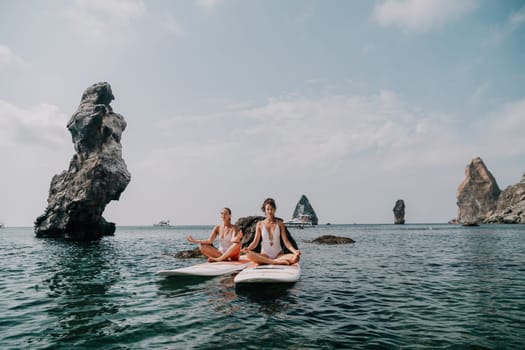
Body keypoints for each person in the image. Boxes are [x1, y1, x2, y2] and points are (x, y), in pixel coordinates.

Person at [242, 198, 301, 265]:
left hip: (279, 256)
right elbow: (255, 242)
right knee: (249, 254)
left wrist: (295, 251)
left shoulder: (280, 224)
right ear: (264, 210)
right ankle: (274, 262)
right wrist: (248, 248)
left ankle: (270, 261)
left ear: (274, 210)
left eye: (272, 209)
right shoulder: (260, 224)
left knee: (296, 258)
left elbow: (286, 241)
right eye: (268, 209)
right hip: (264, 255)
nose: (270, 211)